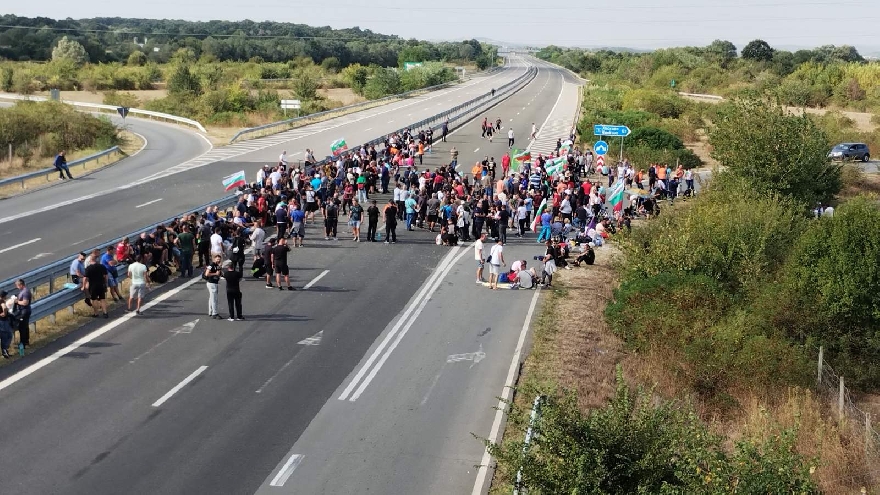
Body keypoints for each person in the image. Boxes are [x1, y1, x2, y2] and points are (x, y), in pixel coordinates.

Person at [83, 250, 109, 318]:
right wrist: (106, 283)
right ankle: (105, 313)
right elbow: (106, 276)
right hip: (101, 284)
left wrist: (83, 286)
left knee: (94, 299)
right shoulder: (102, 266)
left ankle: (96, 313)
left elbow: (85, 278)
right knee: (102, 299)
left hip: (93, 286)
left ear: (90, 260)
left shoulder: (88, 268)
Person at [13, 279, 32, 352]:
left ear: (21, 285)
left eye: (17, 286)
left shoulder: (25, 292)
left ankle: (23, 344)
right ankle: (26, 342)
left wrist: (17, 301)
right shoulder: (23, 291)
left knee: (22, 327)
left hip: (24, 311)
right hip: (24, 310)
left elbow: (25, 303)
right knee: (25, 327)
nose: (17, 287)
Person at [204, 254, 222, 319]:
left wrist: (219, 270)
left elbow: (219, 274)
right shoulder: (211, 265)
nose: (218, 260)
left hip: (215, 283)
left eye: (219, 259)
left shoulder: (217, 266)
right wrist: (215, 273)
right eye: (217, 259)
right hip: (211, 283)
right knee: (214, 298)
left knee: (211, 298)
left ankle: (211, 311)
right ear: (214, 259)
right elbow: (207, 274)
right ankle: (215, 313)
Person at [0, 291, 13, 358]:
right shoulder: (1, 301)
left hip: (2, 321)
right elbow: (4, 307)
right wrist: (4, 313)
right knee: (7, 335)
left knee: (4, 336)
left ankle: (4, 350)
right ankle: (4, 350)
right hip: (3, 321)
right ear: (3, 296)